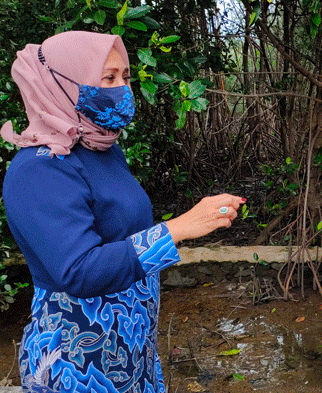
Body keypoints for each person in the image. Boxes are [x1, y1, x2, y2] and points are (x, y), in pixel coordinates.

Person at [1, 31, 244, 393]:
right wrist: (178, 229)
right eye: (108, 78)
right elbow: (79, 271)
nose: (122, 89)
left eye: (125, 77)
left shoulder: (103, 149)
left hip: (133, 350)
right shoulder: (39, 168)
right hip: (79, 364)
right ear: (65, 83)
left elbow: (124, 232)